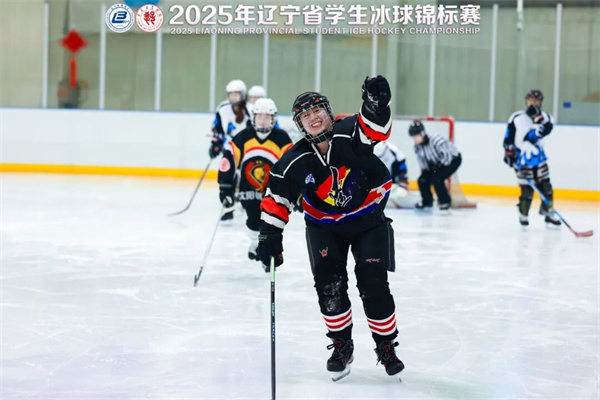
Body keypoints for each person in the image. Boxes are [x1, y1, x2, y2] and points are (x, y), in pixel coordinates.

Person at [257, 76, 404, 380]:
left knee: (373, 281)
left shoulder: (349, 131)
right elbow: (277, 196)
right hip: (324, 226)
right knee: (329, 284)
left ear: (328, 112)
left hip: (367, 220)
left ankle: (386, 345)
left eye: (317, 111)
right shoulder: (294, 159)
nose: (313, 118)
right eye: (305, 116)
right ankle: (341, 344)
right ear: (300, 125)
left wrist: (376, 105)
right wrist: (270, 233)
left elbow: (375, 128)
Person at [218, 98, 292, 257]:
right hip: (248, 190)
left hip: (272, 191)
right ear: (254, 118)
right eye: (260, 117)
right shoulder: (243, 137)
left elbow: (291, 165)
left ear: (273, 118)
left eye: (267, 117)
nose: (263, 121)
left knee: (269, 222)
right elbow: (229, 160)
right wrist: (225, 187)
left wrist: (295, 190)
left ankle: (264, 248)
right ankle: (257, 242)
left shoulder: (282, 139)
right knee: (253, 221)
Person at [503, 89, 560, 226]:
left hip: (539, 158)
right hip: (522, 159)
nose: (533, 103)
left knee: (546, 187)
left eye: (536, 100)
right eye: (530, 100)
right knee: (527, 190)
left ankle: (548, 213)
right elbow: (509, 136)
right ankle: (523, 214)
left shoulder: (546, 117)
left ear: (540, 102)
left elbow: (546, 129)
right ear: (526, 101)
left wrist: (537, 118)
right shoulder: (516, 117)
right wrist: (509, 152)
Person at [409, 120, 462, 210]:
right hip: (436, 164)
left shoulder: (436, 140)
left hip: (453, 160)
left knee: (437, 178)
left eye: (416, 136)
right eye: (413, 137)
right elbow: (423, 163)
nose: (415, 139)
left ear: (422, 133)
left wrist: (437, 169)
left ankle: (445, 202)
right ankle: (427, 201)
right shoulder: (417, 147)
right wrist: (428, 171)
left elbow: (447, 157)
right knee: (422, 180)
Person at [208, 79, 252, 160]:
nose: (233, 97)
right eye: (231, 94)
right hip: (229, 149)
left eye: (236, 94)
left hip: (247, 150)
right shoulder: (223, 109)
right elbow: (217, 128)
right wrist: (216, 143)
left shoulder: (250, 110)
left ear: (243, 94)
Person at [373, 141, 414, 208]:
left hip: (392, 185)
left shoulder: (393, 150)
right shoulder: (366, 151)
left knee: (401, 194)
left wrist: (403, 184)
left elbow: (402, 167)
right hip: (374, 186)